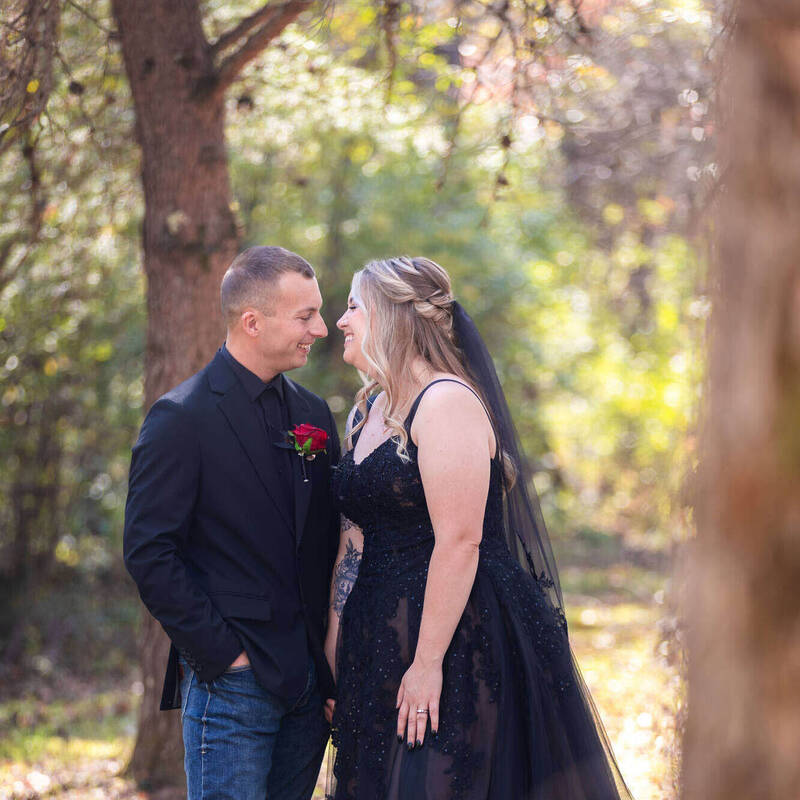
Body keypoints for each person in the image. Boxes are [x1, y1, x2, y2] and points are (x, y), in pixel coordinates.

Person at [324, 256, 632, 799]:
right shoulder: (366, 411)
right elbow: (353, 538)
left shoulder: (445, 402)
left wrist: (426, 663)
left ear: (394, 315)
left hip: (457, 638)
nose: (341, 321)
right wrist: (337, 643)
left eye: (353, 307)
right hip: (377, 637)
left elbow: (460, 541)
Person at [123, 246, 340, 800]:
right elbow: (150, 552)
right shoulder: (180, 418)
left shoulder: (314, 415)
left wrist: (329, 663)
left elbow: (329, 541)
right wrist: (224, 657)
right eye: (305, 316)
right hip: (233, 684)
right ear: (252, 322)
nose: (320, 328)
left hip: (309, 686)